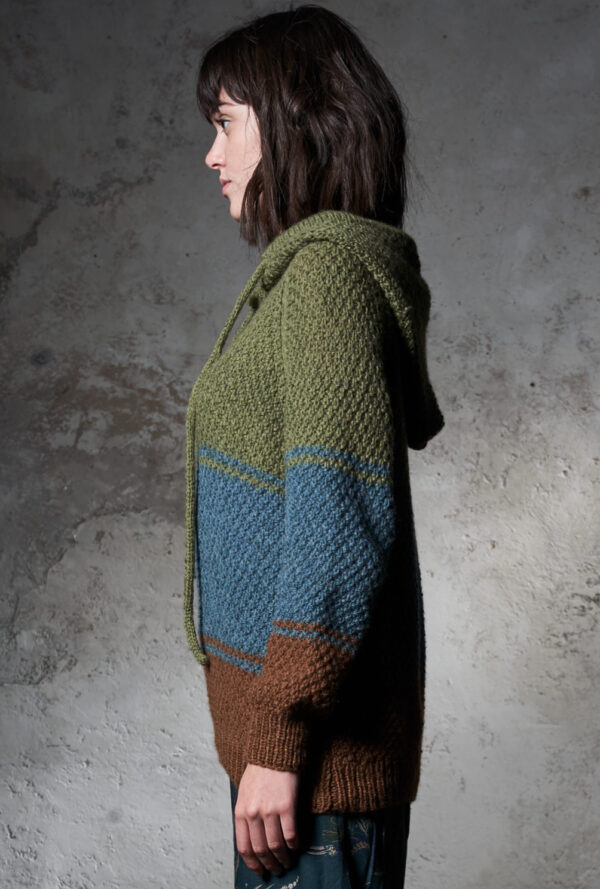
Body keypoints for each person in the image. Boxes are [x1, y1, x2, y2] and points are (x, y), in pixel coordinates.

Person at [183, 5, 444, 887]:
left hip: (309, 765)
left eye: (226, 123)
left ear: (293, 119)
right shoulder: (311, 277)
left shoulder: (328, 279)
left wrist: (279, 740)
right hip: (294, 758)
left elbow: (339, 532)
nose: (212, 154)